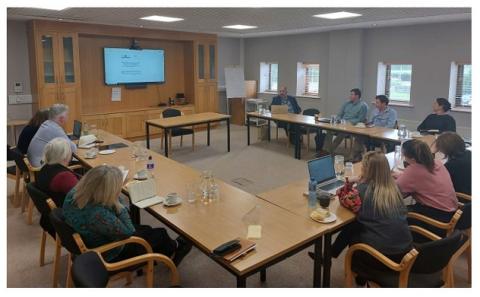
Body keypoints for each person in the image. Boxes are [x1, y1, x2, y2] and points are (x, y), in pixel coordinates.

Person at [63, 165, 192, 265]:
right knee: (160, 233)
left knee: (147, 229)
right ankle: (177, 247)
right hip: (109, 252)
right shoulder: (98, 214)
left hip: (91, 237)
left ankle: (164, 249)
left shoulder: (74, 194)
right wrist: (117, 202)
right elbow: (129, 231)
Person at [310, 151, 412, 263]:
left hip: (382, 257)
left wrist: (350, 182)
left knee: (354, 227)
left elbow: (342, 198)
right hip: (404, 253)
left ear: (366, 170)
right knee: (356, 224)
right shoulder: (394, 187)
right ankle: (330, 254)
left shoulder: (362, 190)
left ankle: (335, 258)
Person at [393, 139, 458, 226]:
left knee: (391, 214)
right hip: (451, 212)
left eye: (404, 154)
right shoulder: (437, 163)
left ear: (411, 158)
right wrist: (401, 175)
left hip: (437, 220)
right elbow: (421, 179)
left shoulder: (413, 171)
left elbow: (394, 191)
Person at [323, 88, 368, 160]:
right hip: (341, 123)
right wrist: (338, 120)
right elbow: (339, 114)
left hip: (352, 125)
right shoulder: (347, 103)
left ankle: (329, 151)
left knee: (342, 132)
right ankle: (326, 150)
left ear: (357, 96)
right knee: (329, 130)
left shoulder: (363, 106)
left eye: (352, 94)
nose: (350, 96)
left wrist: (349, 122)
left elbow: (361, 119)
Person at [37, 137, 79, 207]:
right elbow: (81, 196)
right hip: (68, 210)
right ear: (64, 155)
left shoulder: (44, 168)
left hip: (53, 210)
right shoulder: (64, 177)